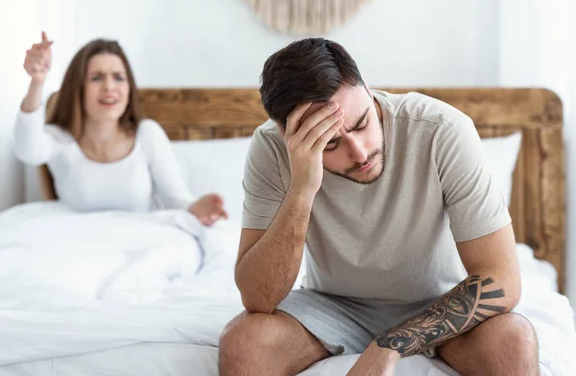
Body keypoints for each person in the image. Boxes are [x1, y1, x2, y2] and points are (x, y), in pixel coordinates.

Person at [218, 38, 543, 375]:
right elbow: (259, 299)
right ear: (286, 135)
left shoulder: (442, 130)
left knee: (512, 339)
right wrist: (302, 187)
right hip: (333, 307)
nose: (359, 153)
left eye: (362, 123)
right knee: (244, 341)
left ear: (368, 91)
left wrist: (389, 345)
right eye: (329, 144)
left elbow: (501, 278)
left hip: (440, 303)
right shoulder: (271, 149)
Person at [14, 32, 227, 226]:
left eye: (119, 77)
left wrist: (195, 208)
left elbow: (175, 198)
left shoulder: (147, 134)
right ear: (77, 88)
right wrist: (37, 83)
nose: (109, 87)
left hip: (140, 246)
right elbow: (27, 150)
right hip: (79, 248)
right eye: (97, 77)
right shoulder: (60, 139)